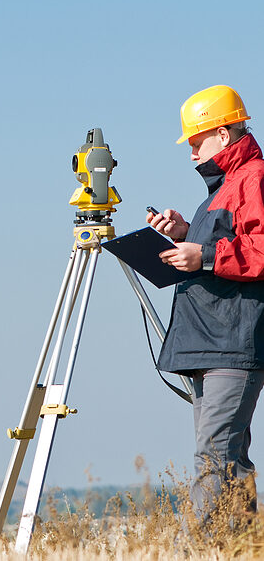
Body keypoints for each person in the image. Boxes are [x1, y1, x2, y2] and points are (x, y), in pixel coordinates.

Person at [146, 85, 264, 524]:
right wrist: (182, 236)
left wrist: (207, 255)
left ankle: (197, 550)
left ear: (225, 132)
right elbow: (225, 248)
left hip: (233, 343)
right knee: (228, 461)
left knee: (214, 458)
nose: (191, 153)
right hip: (210, 342)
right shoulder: (221, 189)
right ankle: (244, 547)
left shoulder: (254, 178)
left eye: (196, 142)